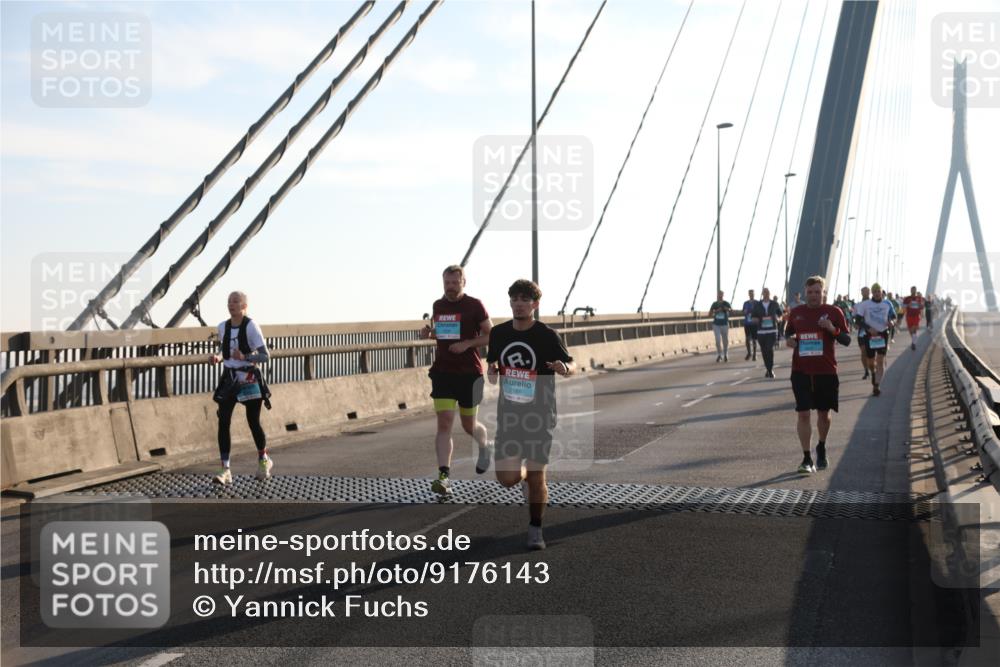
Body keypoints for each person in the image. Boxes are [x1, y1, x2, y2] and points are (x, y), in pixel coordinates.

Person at [487, 279, 575, 550]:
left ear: (535, 304)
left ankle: (535, 529)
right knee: (507, 479)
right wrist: (491, 368)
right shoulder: (499, 333)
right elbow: (493, 359)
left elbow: (572, 364)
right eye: (514, 299)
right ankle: (522, 478)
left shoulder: (547, 336)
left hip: (539, 414)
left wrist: (564, 368)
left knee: (538, 476)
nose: (519, 304)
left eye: (525, 300)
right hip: (510, 415)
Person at [421, 265, 493, 496]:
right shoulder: (438, 305)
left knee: (468, 425)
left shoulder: (475, 305)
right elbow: (444, 333)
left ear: (464, 282)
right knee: (444, 424)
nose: (450, 287)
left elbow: (491, 335)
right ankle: (444, 477)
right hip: (443, 372)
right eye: (447, 283)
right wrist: (430, 334)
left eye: (454, 283)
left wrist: (467, 344)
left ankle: (484, 445)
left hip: (469, 374)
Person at [785, 276, 851, 473]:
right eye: (810, 292)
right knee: (803, 413)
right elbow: (788, 333)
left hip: (826, 371)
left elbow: (846, 340)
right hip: (800, 371)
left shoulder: (834, 312)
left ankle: (821, 446)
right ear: (805, 292)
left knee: (824, 414)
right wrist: (789, 340)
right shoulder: (796, 313)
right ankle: (806, 458)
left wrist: (832, 328)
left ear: (824, 292)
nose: (813, 295)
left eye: (817, 291)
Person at [209, 291, 272, 484]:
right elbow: (225, 352)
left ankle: (263, 459)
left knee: (253, 421)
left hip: (249, 378)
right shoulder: (222, 327)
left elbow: (265, 356)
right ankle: (225, 469)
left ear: (244, 306)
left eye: (236, 301)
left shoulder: (251, 326)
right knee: (223, 421)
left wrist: (245, 357)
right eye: (229, 301)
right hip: (229, 379)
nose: (231, 304)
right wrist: (217, 358)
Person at [857, 282, 895, 397]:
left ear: (881, 292)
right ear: (872, 293)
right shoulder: (865, 305)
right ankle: (872, 373)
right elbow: (858, 320)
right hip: (870, 335)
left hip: (883, 334)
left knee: (880, 360)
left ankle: (877, 385)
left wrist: (891, 321)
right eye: (875, 292)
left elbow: (893, 316)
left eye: (879, 291)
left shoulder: (887, 303)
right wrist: (868, 328)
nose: (877, 294)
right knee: (870, 361)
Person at [751, 287, 783, 378]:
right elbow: (753, 317)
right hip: (761, 332)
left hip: (772, 330)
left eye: (767, 292)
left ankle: (770, 369)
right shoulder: (758, 305)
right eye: (764, 292)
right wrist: (756, 320)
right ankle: (768, 369)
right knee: (764, 351)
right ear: (762, 294)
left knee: (769, 349)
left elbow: (780, 315)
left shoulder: (774, 304)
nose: (766, 294)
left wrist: (778, 319)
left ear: (769, 293)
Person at [708, 290, 733, 362]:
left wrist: (727, 309)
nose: (720, 296)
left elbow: (732, 311)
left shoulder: (726, 303)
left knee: (725, 341)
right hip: (716, 324)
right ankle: (719, 355)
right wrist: (716, 311)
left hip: (724, 324)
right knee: (718, 340)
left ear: (723, 295)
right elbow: (709, 314)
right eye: (719, 294)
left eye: (721, 294)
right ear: (717, 295)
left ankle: (725, 354)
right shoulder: (714, 304)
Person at [854, 286, 872, 380]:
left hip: (873, 332)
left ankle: (873, 367)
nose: (865, 293)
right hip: (862, 333)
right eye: (863, 291)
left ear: (869, 292)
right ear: (861, 293)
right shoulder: (857, 305)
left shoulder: (874, 303)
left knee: (872, 353)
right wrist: (855, 324)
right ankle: (866, 371)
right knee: (863, 352)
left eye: (867, 291)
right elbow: (853, 317)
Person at [902, 286, 926, 350]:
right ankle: (913, 340)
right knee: (911, 331)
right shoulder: (907, 298)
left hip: (916, 316)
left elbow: (922, 307)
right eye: (912, 290)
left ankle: (913, 343)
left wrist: (920, 305)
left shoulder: (919, 298)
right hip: (909, 316)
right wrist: (908, 305)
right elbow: (903, 307)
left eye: (914, 290)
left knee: (914, 330)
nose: (913, 291)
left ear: (916, 290)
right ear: (910, 290)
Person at [741, 289, 759, 361]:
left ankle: (754, 354)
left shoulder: (757, 303)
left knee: (754, 339)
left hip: (754, 323)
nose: (751, 295)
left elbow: (759, 312)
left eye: (752, 294)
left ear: (754, 294)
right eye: (750, 294)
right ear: (748, 294)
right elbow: (744, 312)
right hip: (747, 323)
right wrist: (746, 311)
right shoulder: (745, 303)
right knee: (747, 339)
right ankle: (749, 353)